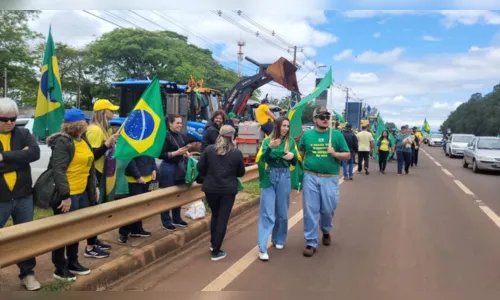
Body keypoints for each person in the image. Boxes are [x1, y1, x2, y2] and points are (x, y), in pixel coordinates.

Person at [46, 108, 99, 281]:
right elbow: (58, 171)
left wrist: (95, 186)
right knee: (63, 232)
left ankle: (73, 262)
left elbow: (89, 166)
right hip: (68, 195)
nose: (88, 124)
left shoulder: (83, 140)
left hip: (82, 193)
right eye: (86, 121)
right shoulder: (63, 142)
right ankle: (59, 268)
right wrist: (65, 196)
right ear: (79, 124)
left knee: (76, 230)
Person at [0, 98, 41, 291]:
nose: (9, 122)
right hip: (1, 199)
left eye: (13, 118)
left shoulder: (24, 133)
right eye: (4, 119)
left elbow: (34, 154)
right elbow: (26, 156)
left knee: (26, 236)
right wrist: (20, 157)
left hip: (24, 196)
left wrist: (4, 157)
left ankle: (27, 273)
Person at [298, 107, 350, 257]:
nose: (325, 119)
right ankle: (310, 242)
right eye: (321, 117)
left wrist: (334, 153)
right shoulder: (307, 135)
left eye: (327, 116)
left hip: (330, 178)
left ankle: (326, 230)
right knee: (310, 210)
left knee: (328, 209)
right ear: (315, 119)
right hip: (310, 176)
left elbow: (347, 155)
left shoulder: (337, 135)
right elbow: (300, 154)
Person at [197, 125, 246, 261]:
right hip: (227, 190)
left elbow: (200, 167)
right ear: (232, 136)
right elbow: (241, 173)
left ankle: (213, 245)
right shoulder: (236, 153)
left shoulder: (209, 150)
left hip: (210, 189)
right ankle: (216, 252)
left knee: (215, 215)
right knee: (222, 219)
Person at [256, 117, 299, 261]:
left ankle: (279, 238)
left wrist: (292, 157)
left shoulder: (291, 142)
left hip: (285, 177)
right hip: (270, 176)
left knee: (282, 212)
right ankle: (262, 247)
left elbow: (295, 160)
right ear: (277, 126)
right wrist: (270, 149)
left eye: (288, 126)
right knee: (267, 213)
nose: (286, 128)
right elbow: (264, 159)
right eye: (283, 125)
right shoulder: (267, 141)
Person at [84, 99, 120, 259]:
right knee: (93, 210)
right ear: (103, 112)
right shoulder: (94, 131)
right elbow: (91, 156)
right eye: (111, 110)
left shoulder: (104, 129)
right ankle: (89, 247)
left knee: (99, 209)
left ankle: (94, 239)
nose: (113, 113)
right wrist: (107, 144)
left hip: (103, 172)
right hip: (95, 174)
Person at [158, 114, 190, 231]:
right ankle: (166, 220)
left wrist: (185, 152)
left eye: (181, 123)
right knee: (168, 195)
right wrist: (176, 153)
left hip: (179, 168)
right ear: (170, 124)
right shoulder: (165, 136)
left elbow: (180, 149)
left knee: (178, 194)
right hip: (168, 168)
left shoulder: (180, 136)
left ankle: (177, 218)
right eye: (177, 123)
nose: (180, 125)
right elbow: (161, 155)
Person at [118, 155, 156, 243]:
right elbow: (129, 159)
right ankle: (124, 231)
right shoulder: (131, 141)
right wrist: (137, 175)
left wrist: (154, 168)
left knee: (141, 207)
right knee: (132, 207)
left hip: (147, 177)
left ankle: (137, 229)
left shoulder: (147, 141)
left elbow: (152, 153)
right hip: (134, 180)